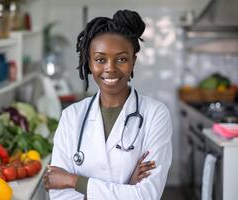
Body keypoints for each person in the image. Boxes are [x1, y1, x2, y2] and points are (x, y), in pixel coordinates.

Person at [44, 9, 172, 200]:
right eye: (100, 59)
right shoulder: (71, 116)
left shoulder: (155, 114)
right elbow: (60, 196)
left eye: (121, 59)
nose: (110, 68)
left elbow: (146, 195)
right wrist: (127, 187)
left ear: (133, 61)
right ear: (89, 63)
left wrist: (73, 181)